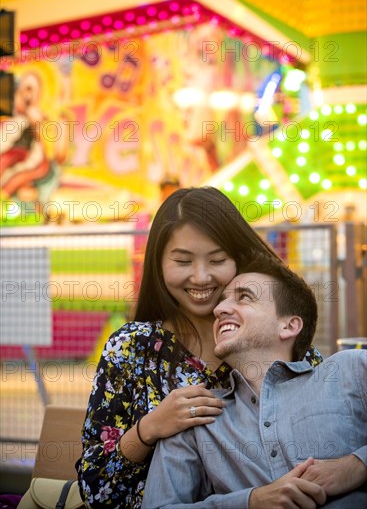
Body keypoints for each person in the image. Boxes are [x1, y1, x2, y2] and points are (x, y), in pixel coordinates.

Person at [77, 187, 322, 508]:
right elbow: (94, 489)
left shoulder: (273, 339)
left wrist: (353, 466)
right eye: (182, 261)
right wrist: (149, 428)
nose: (201, 276)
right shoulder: (132, 348)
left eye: (218, 259)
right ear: (158, 263)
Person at [142, 255, 367, 509]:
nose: (218, 309)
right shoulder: (197, 417)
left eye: (244, 297)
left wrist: (357, 465)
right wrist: (251, 501)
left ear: (289, 326)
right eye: (223, 300)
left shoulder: (350, 371)